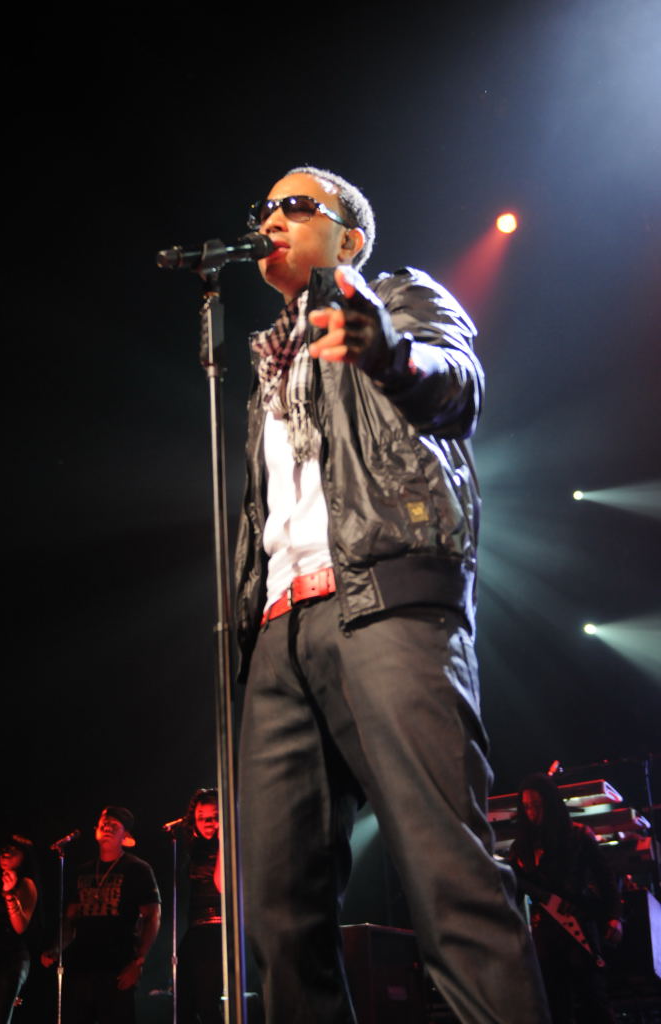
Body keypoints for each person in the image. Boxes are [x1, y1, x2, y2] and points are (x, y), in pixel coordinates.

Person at [235, 166, 550, 1023]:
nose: (272, 219)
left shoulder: (401, 299)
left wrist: (387, 351)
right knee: (278, 920)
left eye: (297, 206)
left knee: (450, 876)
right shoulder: (268, 361)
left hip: (383, 601)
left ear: (351, 239)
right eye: (265, 209)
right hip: (279, 633)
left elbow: (456, 388)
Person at [509, 773, 622, 1023]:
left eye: (537, 806)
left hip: (579, 922)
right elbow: (513, 894)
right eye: (527, 807)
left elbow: (606, 879)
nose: (532, 813)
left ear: (550, 803)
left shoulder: (579, 835)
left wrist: (615, 917)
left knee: (594, 1000)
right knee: (555, 1005)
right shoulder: (521, 848)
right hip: (545, 934)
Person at [41, 806, 161, 1024]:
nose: (107, 827)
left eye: (114, 825)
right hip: (81, 966)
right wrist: (57, 947)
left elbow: (152, 916)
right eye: (103, 823)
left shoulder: (138, 869)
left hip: (117, 966)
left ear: (125, 835)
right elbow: (71, 918)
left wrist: (138, 962)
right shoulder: (82, 870)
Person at [0, 834, 40, 1023]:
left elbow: (20, 926)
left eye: (13, 850)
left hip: (9, 958)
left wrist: (9, 894)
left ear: (24, 856)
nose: (6, 853)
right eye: (3, 850)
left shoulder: (25, 884)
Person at [177, 788, 223, 1023]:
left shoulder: (228, 846)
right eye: (201, 817)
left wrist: (225, 841)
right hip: (195, 929)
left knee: (207, 1003)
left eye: (214, 816)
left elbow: (222, 885)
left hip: (219, 930)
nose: (208, 822)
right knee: (184, 1004)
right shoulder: (194, 848)